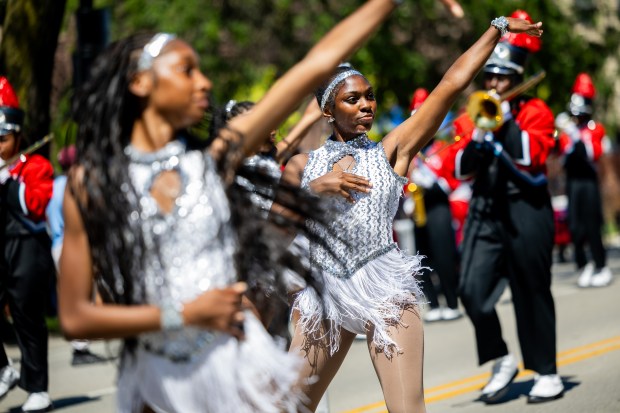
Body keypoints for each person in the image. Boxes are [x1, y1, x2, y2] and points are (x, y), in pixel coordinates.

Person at [57, 1, 416, 412]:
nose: (205, 82)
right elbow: (76, 318)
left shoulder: (211, 164)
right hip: (155, 379)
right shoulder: (90, 186)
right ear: (140, 83)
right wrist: (185, 314)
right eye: (187, 70)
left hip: (234, 363)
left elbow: (316, 64)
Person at [282, 15, 543, 413]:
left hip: (383, 282)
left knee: (407, 409)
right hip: (325, 290)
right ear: (327, 110)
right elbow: (274, 228)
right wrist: (317, 190)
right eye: (353, 99)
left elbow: (450, 86)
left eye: (369, 96)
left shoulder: (391, 149)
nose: (367, 105)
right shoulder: (302, 166)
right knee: (289, 407)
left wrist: (496, 29)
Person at [446, 9, 564, 405]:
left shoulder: (536, 112)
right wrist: (478, 135)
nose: (494, 83)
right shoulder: (473, 115)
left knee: (532, 289)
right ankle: (501, 357)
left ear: (516, 77)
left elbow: (531, 158)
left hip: (527, 208)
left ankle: (546, 370)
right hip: (486, 209)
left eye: (501, 77)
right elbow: (460, 170)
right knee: (472, 291)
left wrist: (505, 122)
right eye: (490, 76)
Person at [0, 76, 55, 412]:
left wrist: (10, 183)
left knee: (26, 316)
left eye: (2, 139)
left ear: (18, 136)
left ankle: (38, 388)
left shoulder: (35, 166)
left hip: (27, 247)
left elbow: (37, 207)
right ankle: (3, 369)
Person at [45, 144, 108, 366]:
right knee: (81, 293)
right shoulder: (73, 184)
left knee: (68, 293)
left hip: (55, 243)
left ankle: (79, 341)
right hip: (71, 244)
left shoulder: (54, 185)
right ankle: (80, 348)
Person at [409, 88, 463, 322]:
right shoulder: (410, 155)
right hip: (418, 210)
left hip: (439, 208)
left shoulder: (442, 149)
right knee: (422, 259)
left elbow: (451, 184)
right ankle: (433, 304)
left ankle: (451, 303)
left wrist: (430, 181)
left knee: (444, 257)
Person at [555, 73, 613, 287]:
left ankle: (601, 265)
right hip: (572, 183)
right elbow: (560, 158)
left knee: (592, 225)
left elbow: (592, 154)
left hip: (588, 182)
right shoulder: (568, 132)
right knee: (575, 226)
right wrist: (565, 135)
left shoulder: (594, 129)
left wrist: (574, 135)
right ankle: (583, 266)